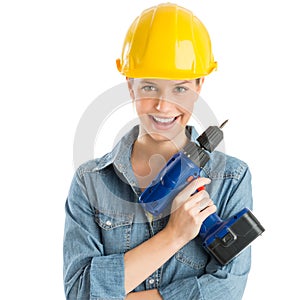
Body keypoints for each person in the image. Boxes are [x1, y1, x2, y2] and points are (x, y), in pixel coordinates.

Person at [63, 3, 252, 299]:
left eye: (179, 88)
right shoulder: (91, 182)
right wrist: (174, 235)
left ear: (200, 85)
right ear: (130, 85)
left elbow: (226, 289)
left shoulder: (231, 178)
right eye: (150, 87)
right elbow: (79, 293)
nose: (163, 106)